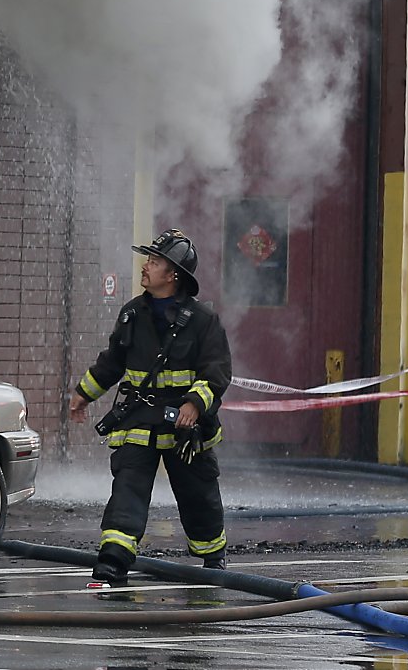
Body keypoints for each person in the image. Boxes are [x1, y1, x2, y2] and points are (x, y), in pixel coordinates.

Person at [68, 228, 232, 587]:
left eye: (154, 262)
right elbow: (112, 362)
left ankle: (212, 557)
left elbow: (217, 371)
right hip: (140, 418)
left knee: (198, 493)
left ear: (173, 274)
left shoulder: (204, 321)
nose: (145, 266)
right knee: (128, 488)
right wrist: (84, 393)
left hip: (186, 427)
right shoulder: (133, 314)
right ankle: (112, 562)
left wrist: (194, 404)